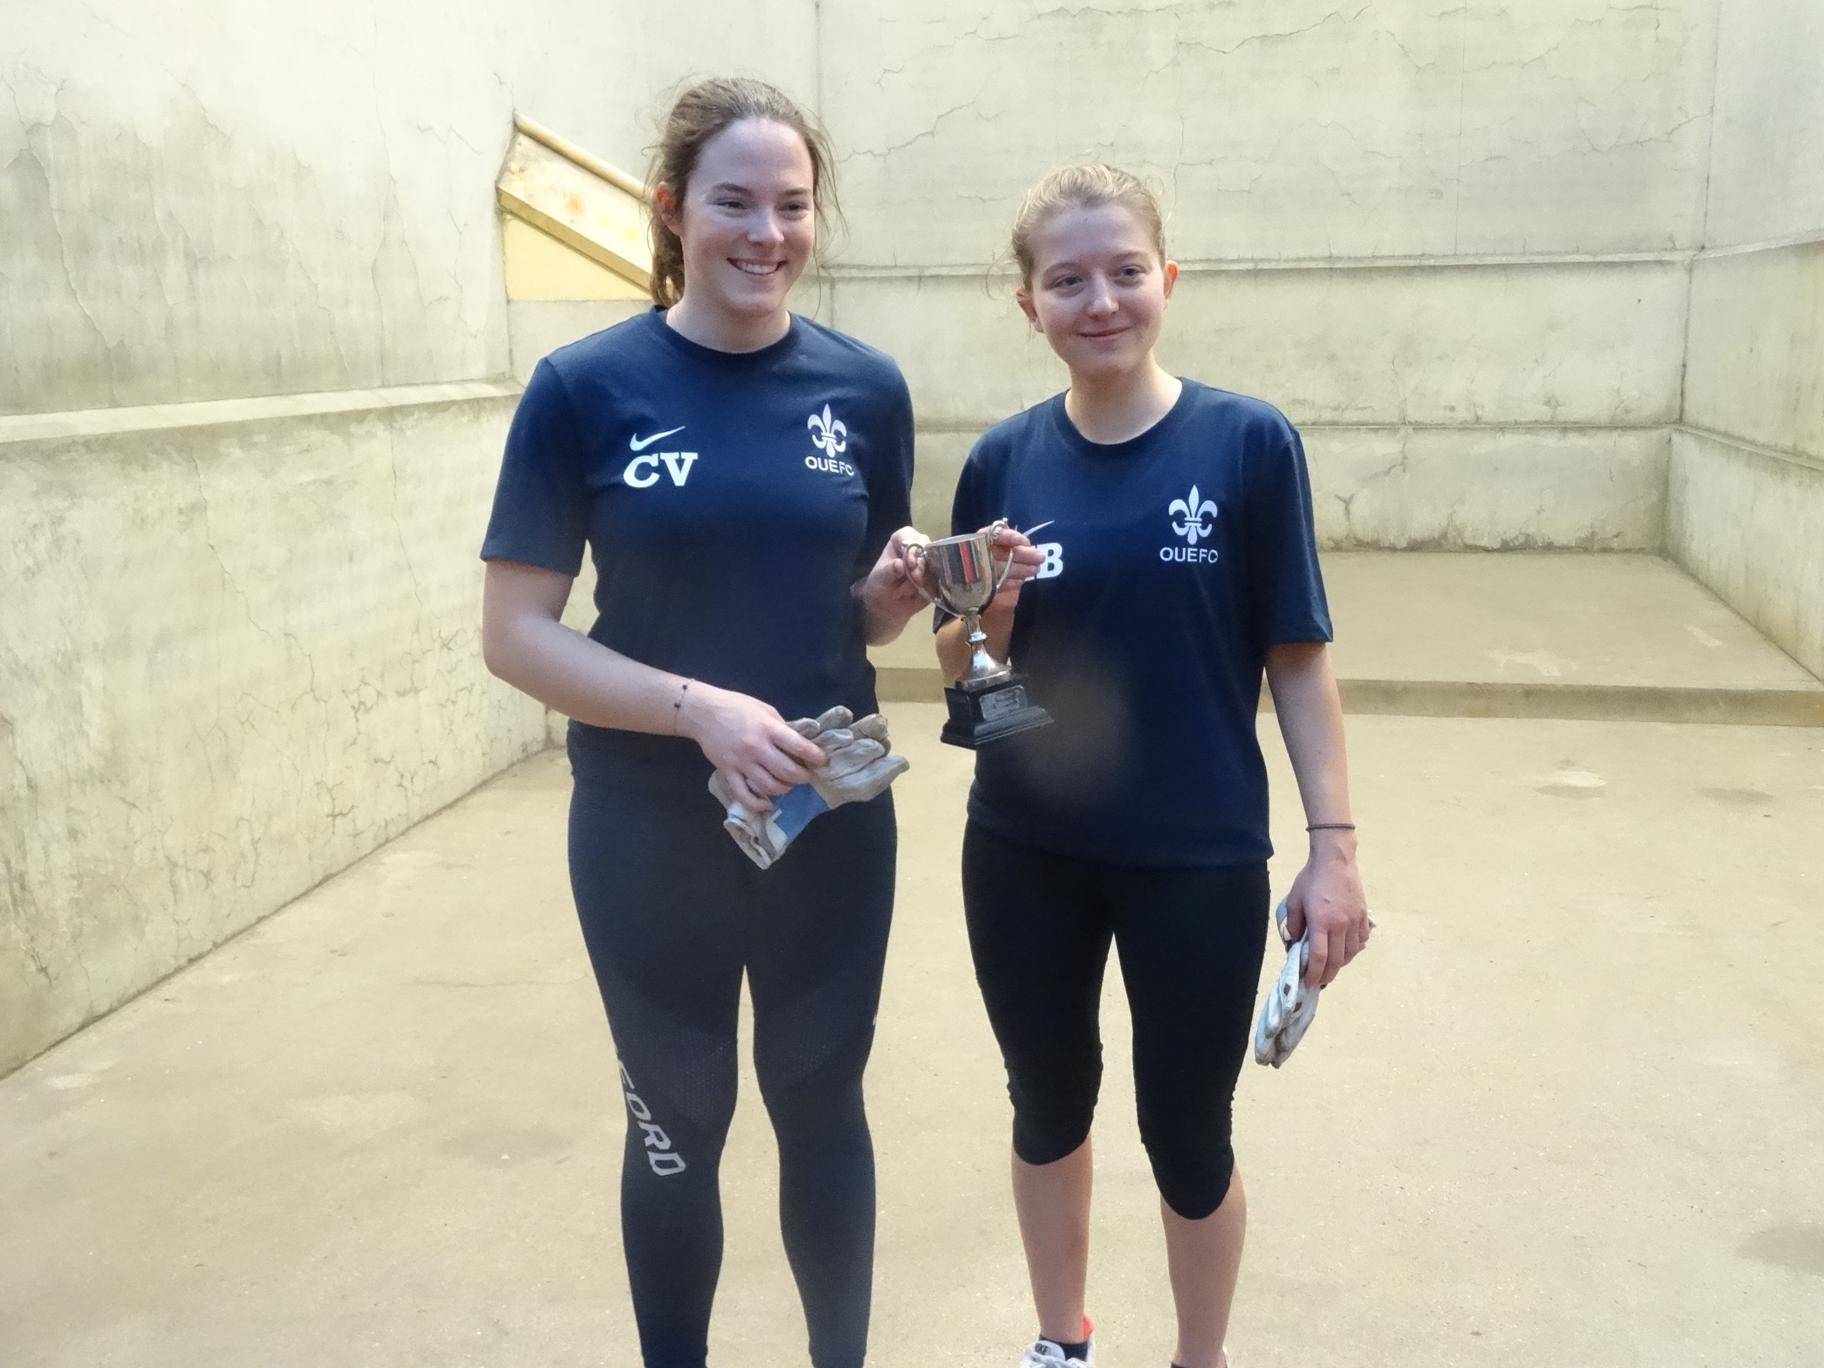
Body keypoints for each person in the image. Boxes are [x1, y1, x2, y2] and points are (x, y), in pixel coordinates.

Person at [479, 77, 929, 1368]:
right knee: (676, 1118)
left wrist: (886, 598)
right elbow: (516, 636)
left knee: (821, 1104)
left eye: (792, 205)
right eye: (734, 202)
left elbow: (855, 613)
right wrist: (700, 714)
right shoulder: (584, 389)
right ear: (675, 212)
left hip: (828, 824)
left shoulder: (866, 388)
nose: (767, 233)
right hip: (646, 835)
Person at [936, 163, 1372, 1368]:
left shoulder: (1247, 444)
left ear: (1167, 279)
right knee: (1045, 1106)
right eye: (1066, 280)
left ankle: (1199, 1355)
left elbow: (1297, 658)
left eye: (1125, 272)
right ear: (1030, 305)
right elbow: (961, 665)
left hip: (1196, 859)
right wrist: (996, 613)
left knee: (1187, 1133)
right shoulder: (1001, 462)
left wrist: (1334, 851)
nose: (1101, 299)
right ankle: (1060, 1339)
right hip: (1026, 852)